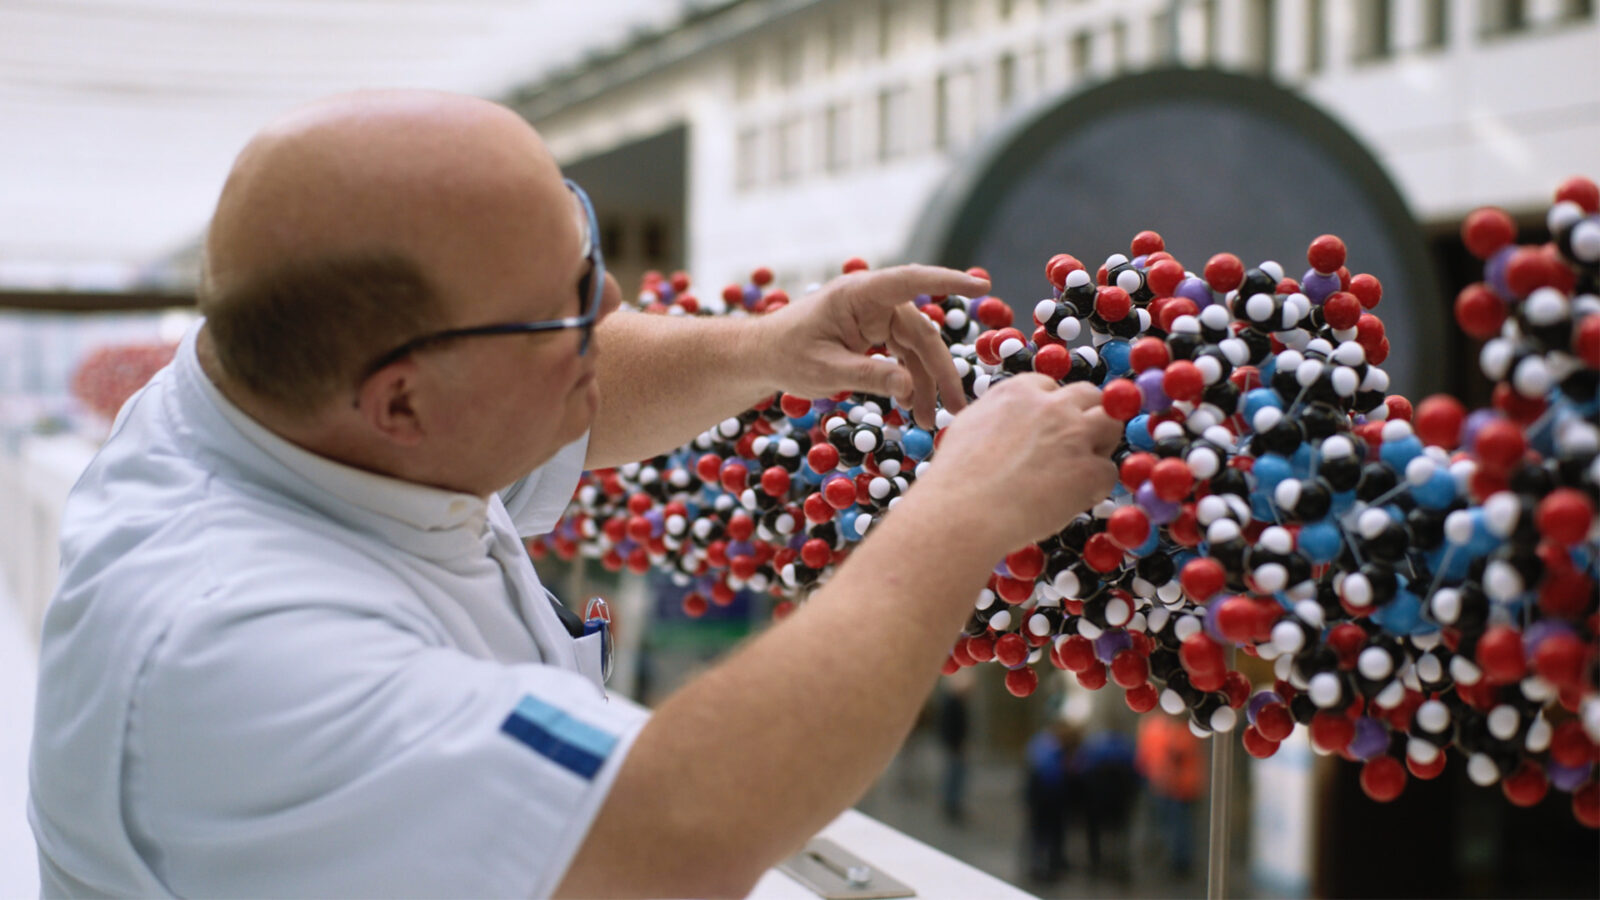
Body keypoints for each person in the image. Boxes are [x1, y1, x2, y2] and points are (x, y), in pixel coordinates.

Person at [27, 90, 1123, 898]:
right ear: (399, 402)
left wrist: (763, 346)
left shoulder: (280, 381)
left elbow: (569, 398)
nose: (611, 302)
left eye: (584, 244)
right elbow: (670, 831)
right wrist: (960, 509)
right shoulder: (233, 650)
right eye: (561, 308)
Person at [1135, 712, 1204, 877]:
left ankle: (1179, 862)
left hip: (1178, 786)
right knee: (1171, 824)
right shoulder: (1164, 726)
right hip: (1162, 784)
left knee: (1178, 825)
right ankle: (1173, 859)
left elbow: (1176, 756)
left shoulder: (1173, 728)